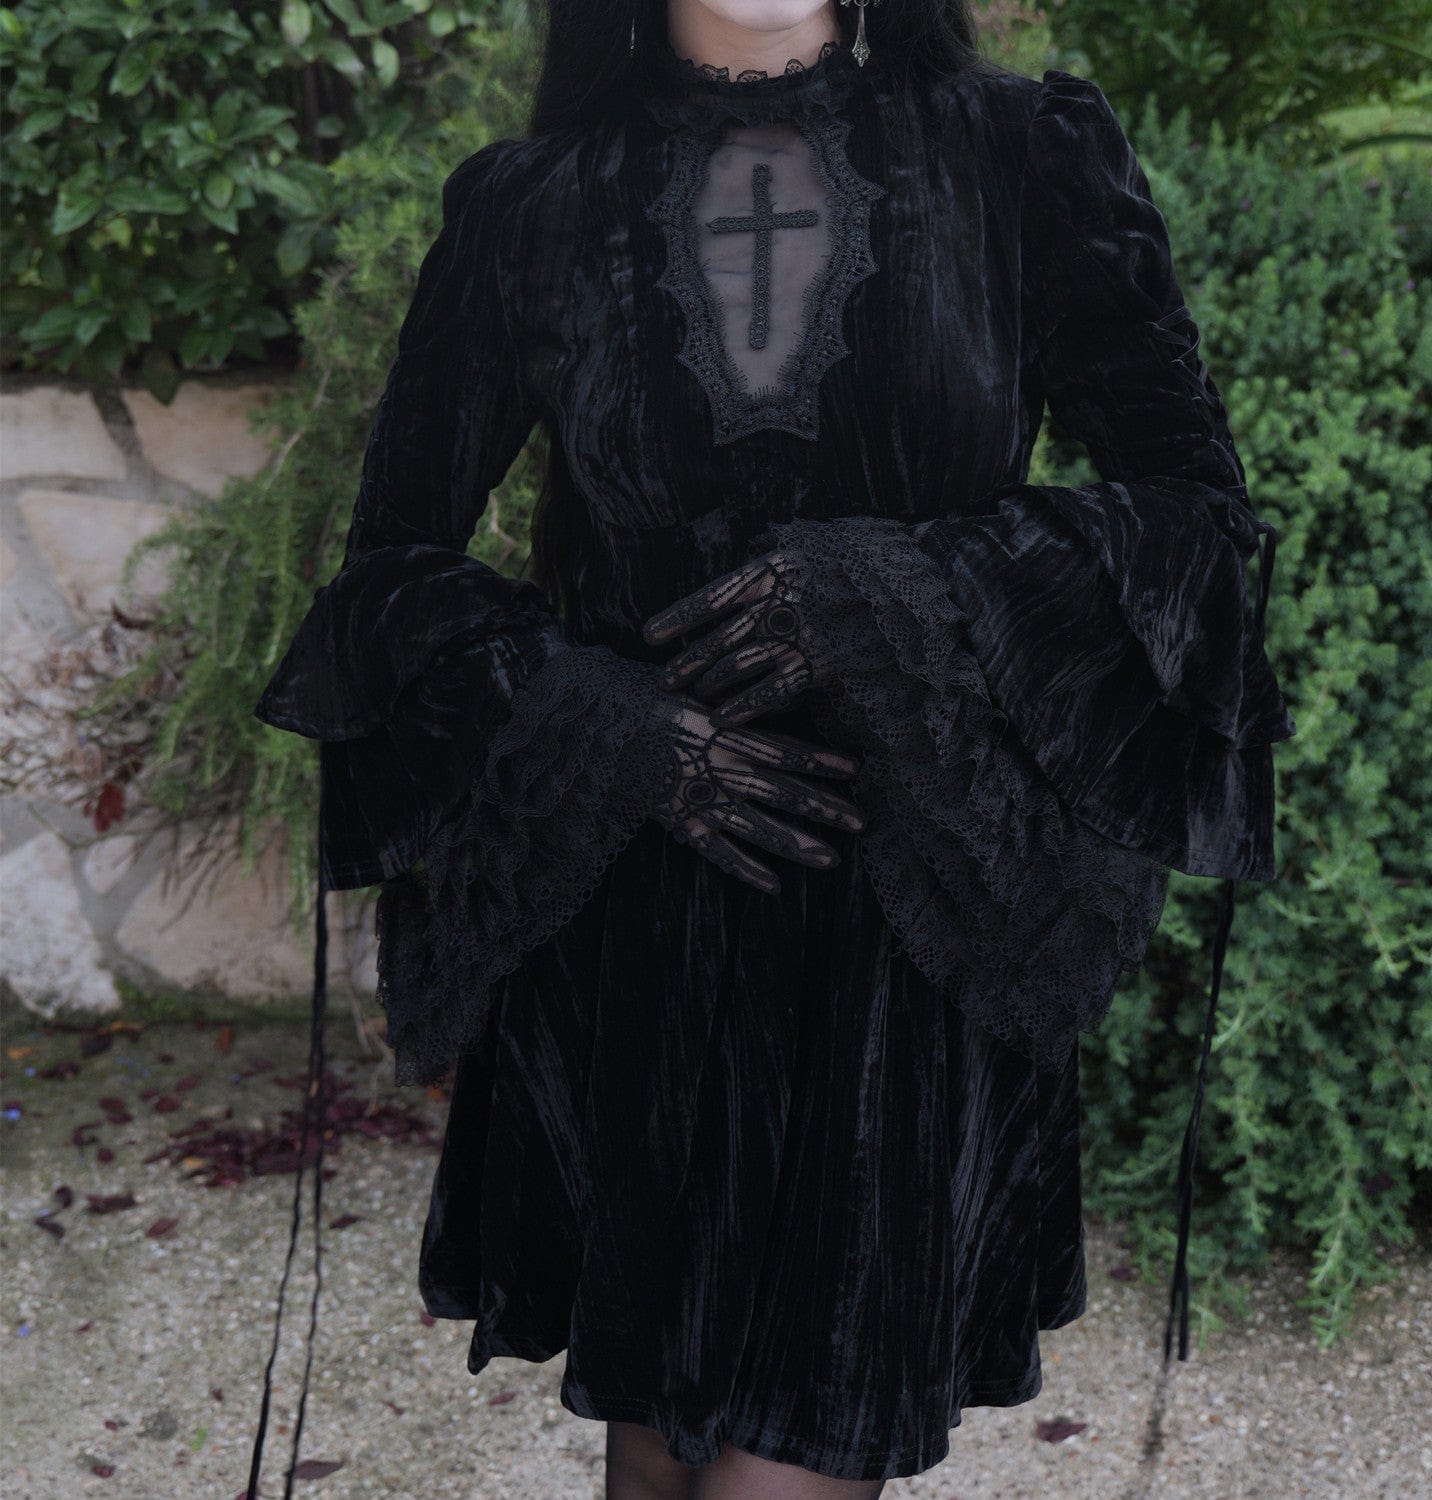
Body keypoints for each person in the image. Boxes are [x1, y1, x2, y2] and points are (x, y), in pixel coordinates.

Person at [247, 0, 1296, 1495]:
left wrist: (895, 593)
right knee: (653, 1464)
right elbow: (390, 577)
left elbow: (1195, 524)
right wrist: (594, 719)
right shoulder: (530, 206)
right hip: (633, 927)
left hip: (905, 942)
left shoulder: (1022, 154)